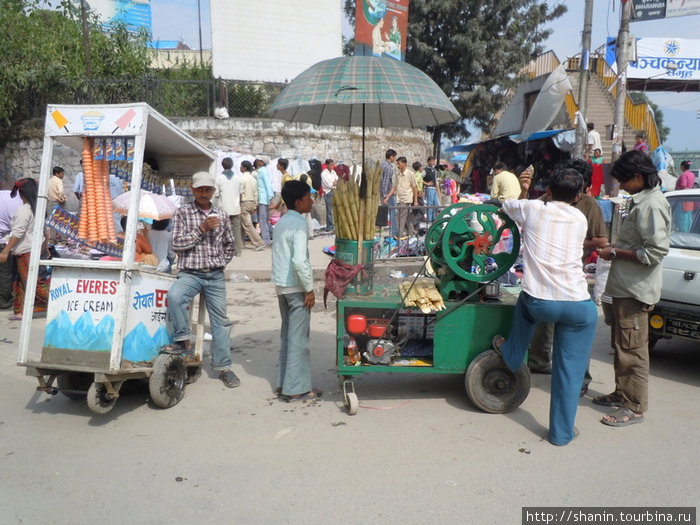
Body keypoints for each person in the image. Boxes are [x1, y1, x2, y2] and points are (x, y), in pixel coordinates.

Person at [494, 168, 598, 446]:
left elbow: (504, 204)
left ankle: (512, 355)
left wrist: (527, 188)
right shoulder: (580, 217)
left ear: (548, 190)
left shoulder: (533, 209)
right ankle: (561, 434)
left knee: (525, 306)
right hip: (579, 305)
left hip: (540, 302)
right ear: (579, 195)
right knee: (568, 372)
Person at [594, 150, 670, 427]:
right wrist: (616, 250)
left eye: (624, 181)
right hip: (624, 288)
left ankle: (634, 406)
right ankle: (622, 393)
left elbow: (655, 252)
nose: (622, 186)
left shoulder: (651, 205)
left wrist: (616, 253)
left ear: (638, 177)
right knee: (622, 346)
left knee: (633, 351)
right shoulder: (641, 202)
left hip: (635, 291)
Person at [525, 159, 608, 398]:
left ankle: (580, 380)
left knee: (574, 333)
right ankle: (539, 362)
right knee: (542, 321)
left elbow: (601, 240)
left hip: (572, 277)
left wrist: (570, 242)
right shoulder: (548, 200)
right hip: (546, 276)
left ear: (580, 191)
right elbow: (527, 208)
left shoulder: (589, 207)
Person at [167, 171, 240, 388]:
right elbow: (176, 245)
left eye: (207, 189)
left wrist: (221, 262)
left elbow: (230, 245)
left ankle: (224, 367)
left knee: (221, 323)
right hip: (191, 273)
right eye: (199, 189)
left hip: (215, 274)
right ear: (192, 190)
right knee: (175, 296)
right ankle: (182, 341)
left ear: (213, 191)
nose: (203, 193)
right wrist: (201, 230)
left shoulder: (222, 215)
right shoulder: (183, 213)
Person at [272, 180, 321, 401]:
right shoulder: (299, 224)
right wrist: (309, 289)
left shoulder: (282, 222)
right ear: (299, 201)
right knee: (299, 341)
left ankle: (284, 384)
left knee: (288, 337)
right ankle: (297, 389)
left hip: (282, 286)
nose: (312, 200)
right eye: (309, 197)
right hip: (296, 287)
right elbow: (300, 261)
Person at [0, 179, 50, 321]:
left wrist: (5, 251)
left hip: (26, 252)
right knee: (21, 283)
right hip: (33, 249)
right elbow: (46, 232)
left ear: (22, 194)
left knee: (32, 282)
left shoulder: (24, 211)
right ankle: (20, 311)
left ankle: (57, 302)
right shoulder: (38, 210)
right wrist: (45, 247)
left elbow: (17, 233)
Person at [214, 157, 243, 257]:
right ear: (232, 165)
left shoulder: (219, 178)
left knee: (221, 231)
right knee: (236, 231)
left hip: (223, 209)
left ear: (222, 165)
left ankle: (222, 251)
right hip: (235, 208)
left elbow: (216, 194)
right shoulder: (238, 178)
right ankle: (238, 251)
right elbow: (240, 193)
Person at [0, 188, 23, 310]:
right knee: (5, 273)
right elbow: (17, 231)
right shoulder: (19, 204)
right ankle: (4, 301)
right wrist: (6, 250)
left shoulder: (5, 194)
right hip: (3, 242)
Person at [384, 156, 417, 238]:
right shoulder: (398, 175)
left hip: (406, 199)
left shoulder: (410, 174)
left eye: (399, 164)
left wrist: (415, 200)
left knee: (399, 218)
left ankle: (400, 236)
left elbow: (414, 187)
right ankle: (411, 235)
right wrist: (388, 197)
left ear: (404, 163)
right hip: (399, 198)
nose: (398, 165)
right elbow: (394, 187)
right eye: (397, 164)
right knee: (405, 219)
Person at [239, 160, 266, 251]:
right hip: (252, 202)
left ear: (244, 168)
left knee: (247, 224)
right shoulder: (253, 179)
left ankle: (259, 242)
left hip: (244, 202)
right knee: (242, 222)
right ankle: (240, 243)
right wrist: (255, 205)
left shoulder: (242, 179)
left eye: (241, 166)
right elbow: (256, 193)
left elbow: (240, 191)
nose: (240, 168)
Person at [254, 158, 274, 246]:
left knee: (262, 220)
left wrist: (270, 197)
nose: (257, 162)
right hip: (264, 198)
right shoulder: (263, 171)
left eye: (259, 160)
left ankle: (266, 241)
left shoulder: (262, 171)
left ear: (262, 162)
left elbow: (267, 184)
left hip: (263, 198)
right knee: (265, 220)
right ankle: (271, 237)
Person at [380, 149, 398, 236]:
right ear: (391, 156)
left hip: (385, 192)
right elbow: (386, 181)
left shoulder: (382, 165)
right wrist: (385, 196)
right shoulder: (388, 167)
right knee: (393, 213)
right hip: (388, 193)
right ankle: (394, 232)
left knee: (385, 212)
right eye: (394, 157)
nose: (395, 159)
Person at [320, 159, 337, 232]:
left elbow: (337, 180)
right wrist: (333, 183)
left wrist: (334, 183)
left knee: (335, 210)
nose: (332, 166)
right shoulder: (324, 174)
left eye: (332, 165)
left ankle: (334, 225)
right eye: (331, 165)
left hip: (335, 191)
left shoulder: (333, 172)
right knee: (329, 210)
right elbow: (329, 184)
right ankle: (330, 226)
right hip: (328, 192)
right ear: (326, 165)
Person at [423, 156, 440, 222]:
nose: (432, 162)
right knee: (430, 204)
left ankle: (434, 218)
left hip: (434, 188)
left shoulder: (435, 170)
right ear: (428, 162)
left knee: (437, 204)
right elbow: (419, 179)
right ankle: (429, 219)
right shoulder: (425, 170)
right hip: (429, 188)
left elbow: (436, 180)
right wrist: (427, 183)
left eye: (433, 161)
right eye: (430, 161)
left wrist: (438, 189)